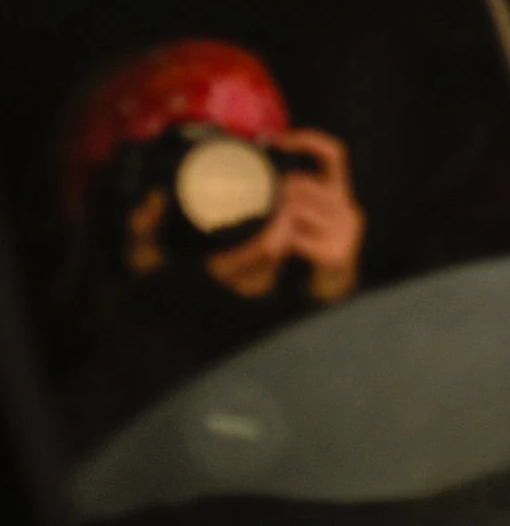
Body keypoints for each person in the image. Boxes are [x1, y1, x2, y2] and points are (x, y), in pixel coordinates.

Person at [53, 39, 365, 449]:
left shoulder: (309, 326)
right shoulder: (56, 363)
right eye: (174, 166)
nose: (218, 193)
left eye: (240, 158)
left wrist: (331, 306)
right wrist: (156, 301)